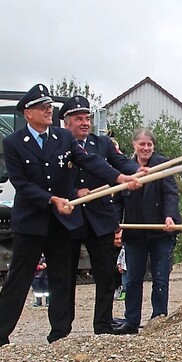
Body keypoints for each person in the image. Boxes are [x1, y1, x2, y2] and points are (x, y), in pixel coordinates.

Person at [0, 84, 140, 346]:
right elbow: (21, 183)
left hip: (61, 222)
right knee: (19, 278)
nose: (49, 111)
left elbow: (88, 161)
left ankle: (59, 335)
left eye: (49, 107)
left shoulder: (62, 138)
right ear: (28, 113)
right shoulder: (13, 143)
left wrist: (120, 176)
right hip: (32, 221)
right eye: (42, 107)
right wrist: (52, 199)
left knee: (61, 278)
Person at [61, 96, 139, 334]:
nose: (85, 123)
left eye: (87, 118)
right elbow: (51, 179)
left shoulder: (103, 144)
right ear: (66, 123)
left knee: (105, 274)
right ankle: (62, 328)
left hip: (101, 218)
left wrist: (138, 172)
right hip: (70, 218)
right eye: (78, 119)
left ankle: (103, 325)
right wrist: (74, 191)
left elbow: (121, 164)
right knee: (65, 276)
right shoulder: (58, 144)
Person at [113, 128, 182, 335]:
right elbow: (117, 199)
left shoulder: (162, 165)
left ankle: (158, 319)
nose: (145, 148)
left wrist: (170, 216)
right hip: (134, 233)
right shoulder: (125, 167)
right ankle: (131, 321)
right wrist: (116, 224)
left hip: (161, 231)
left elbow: (171, 193)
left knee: (160, 278)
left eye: (149, 144)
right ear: (134, 144)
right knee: (133, 279)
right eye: (142, 144)